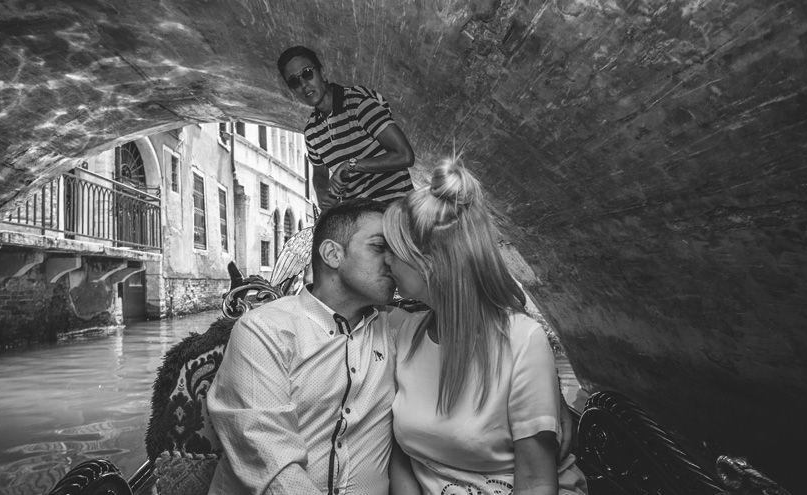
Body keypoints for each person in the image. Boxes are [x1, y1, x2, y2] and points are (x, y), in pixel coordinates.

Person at [383, 159, 588, 495]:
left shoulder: (522, 341)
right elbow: (404, 456)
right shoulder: (403, 332)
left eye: (392, 250)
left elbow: (536, 483)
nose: (386, 260)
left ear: (428, 264)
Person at [205, 198, 405, 494]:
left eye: (397, 251)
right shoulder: (263, 330)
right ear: (332, 254)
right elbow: (274, 466)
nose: (392, 261)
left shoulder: (398, 330)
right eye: (379, 247)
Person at [277, 46, 415, 209]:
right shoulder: (311, 132)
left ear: (323, 72)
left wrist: (352, 165)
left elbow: (405, 156)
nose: (304, 85)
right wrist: (323, 193)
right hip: (360, 219)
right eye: (294, 81)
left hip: (396, 210)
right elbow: (319, 174)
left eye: (307, 73)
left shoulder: (358, 104)